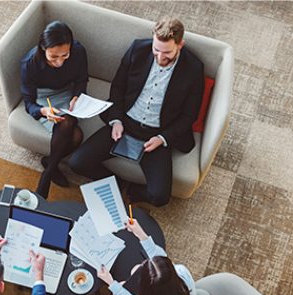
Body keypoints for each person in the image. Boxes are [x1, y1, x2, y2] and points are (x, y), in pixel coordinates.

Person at [69, 17, 204, 207]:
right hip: (125, 122)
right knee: (77, 163)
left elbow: (189, 115)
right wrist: (116, 120)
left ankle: (133, 191)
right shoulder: (137, 49)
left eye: (167, 53)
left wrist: (162, 138)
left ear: (180, 45)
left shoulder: (194, 69)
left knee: (160, 197)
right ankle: (115, 181)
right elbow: (117, 88)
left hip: (157, 134)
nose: (159, 58)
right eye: (156, 50)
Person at [20, 20, 89, 199]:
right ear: (43, 48)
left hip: (67, 92)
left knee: (73, 130)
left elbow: (82, 79)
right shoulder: (29, 63)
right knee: (74, 133)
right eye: (53, 57)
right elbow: (28, 102)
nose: (59, 62)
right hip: (44, 98)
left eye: (64, 56)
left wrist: (77, 96)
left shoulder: (78, 51)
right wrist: (43, 111)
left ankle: (49, 166)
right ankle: (50, 171)